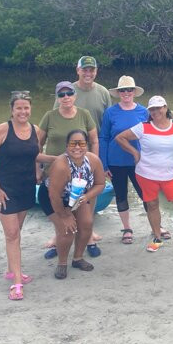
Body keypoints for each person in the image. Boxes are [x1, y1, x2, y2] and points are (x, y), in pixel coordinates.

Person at [115, 96, 173, 252]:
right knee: (152, 204)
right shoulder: (143, 127)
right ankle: (157, 238)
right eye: (152, 109)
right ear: (149, 111)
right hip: (146, 174)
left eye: (159, 108)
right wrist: (135, 153)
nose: (156, 111)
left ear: (165, 108)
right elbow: (120, 138)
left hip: (169, 176)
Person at [0, 91, 40, 301]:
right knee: (13, 233)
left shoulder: (35, 130)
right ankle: (16, 281)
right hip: (4, 188)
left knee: (16, 231)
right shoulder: (3, 129)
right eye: (19, 108)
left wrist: (43, 168)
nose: (23, 111)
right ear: (12, 110)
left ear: (30, 109)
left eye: (26, 108)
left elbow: (35, 155)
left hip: (25, 187)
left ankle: (10, 269)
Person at [99, 76, 167, 244]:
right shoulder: (110, 112)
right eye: (123, 90)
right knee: (121, 195)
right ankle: (127, 228)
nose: (126, 93)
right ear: (119, 93)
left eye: (129, 90)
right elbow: (104, 138)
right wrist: (104, 164)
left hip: (140, 162)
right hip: (115, 161)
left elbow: (152, 135)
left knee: (146, 195)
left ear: (134, 92)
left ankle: (155, 226)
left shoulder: (144, 112)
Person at [38, 80, 101, 258]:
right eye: (61, 94)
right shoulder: (49, 116)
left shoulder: (84, 114)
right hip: (54, 172)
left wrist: (95, 164)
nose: (66, 97)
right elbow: (38, 144)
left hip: (81, 171)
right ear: (57, 98)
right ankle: (60, 241)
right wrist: (38, 169)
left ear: (75, 95)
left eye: (69, 93)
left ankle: (88, 239)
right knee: (59, 207)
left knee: (84, 208)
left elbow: (94, 140)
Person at [37, 129, 107, 279]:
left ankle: (78, 258)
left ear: (87, 145)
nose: (77, 147)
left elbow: (100, 183)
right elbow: (54, 196)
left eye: (81, 143)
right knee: (67, 230)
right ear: (66, 146)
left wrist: (86, 196)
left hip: (77, 197)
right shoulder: (61, 165)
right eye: (72, 143)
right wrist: (64, 216)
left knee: (87, 223)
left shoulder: (93, 160)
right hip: (52, 198)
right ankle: (62, 263)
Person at [53, 55, 113, 138]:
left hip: (96, 143)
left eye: (91, 70)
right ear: (78, 70)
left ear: (96, 71)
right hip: (71, 145)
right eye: (84, 70)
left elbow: (109, 123)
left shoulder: (104, 92)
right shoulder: (66, 91)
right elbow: (54, 119)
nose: (88, 74)